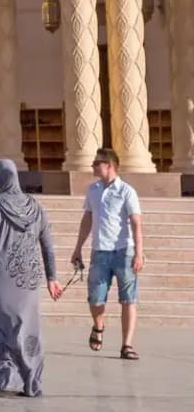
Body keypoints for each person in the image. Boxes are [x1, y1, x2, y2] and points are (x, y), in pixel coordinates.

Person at [0, 159, 63, 397]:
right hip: (27, 279)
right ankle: (31, 380)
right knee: (26, 327)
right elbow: (48, 246)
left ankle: (2, 378)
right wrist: (52, 277)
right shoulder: (36, 207)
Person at [71, 147, 145, 361]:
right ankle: (99, 325)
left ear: (109, 165)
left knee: (128, 299)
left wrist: (139, 253)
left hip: (124, 251)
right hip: (100, 251)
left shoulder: (127, 191)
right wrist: (78, 248)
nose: (93, 165)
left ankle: (127, 345)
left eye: (97, 163)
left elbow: (136, 223)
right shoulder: (92, 190)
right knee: (95, 298)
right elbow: (87, 220)